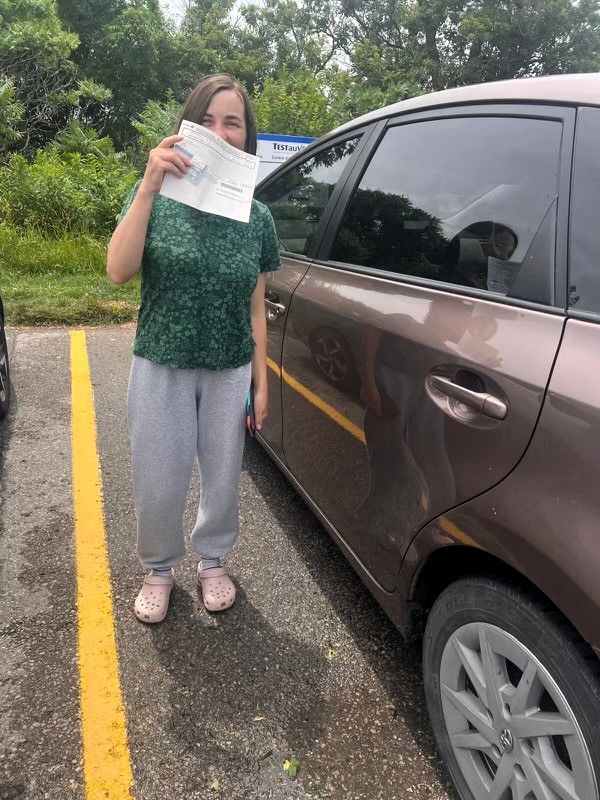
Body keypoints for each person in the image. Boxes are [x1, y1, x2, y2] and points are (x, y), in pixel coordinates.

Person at [106, 74, 281, 623]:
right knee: (158, 475)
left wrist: (261, 380)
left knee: (224, 477)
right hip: (161, 360)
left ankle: (212, 561)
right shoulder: (157, 197)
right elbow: (117, 271)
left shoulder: (257, 215)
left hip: (229, 367)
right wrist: (149, 184)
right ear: (187, 128)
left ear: (247, 137)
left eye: (232, 122)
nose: (219, 131)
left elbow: (257, 305)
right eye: (206, 120)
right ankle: (158, 568)